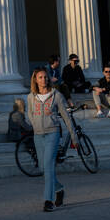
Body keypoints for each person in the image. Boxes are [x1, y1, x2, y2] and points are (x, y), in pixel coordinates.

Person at [27, 67, 78, 212]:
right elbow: (29, 114)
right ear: (35, 80)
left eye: (45, 77)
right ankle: (59, 189)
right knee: (43, 168)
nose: (43, 80)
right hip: (38, 135)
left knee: (49, 166)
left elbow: (66, 117)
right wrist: (35, 124)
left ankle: (48, 200)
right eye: (40, 77)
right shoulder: (31, 97)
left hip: (53, 133)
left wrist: (74, 136)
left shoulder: (56, 95)